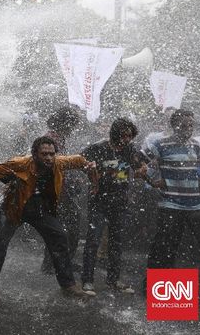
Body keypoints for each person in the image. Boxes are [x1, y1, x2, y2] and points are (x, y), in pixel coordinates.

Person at [0, 136, 95, 302]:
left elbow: (80, 160)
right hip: (14, 207)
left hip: (41, 209)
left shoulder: (59, 163)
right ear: (35, 154)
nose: (49, 158)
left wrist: (90, 170)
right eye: (44, 154)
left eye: (52, 154)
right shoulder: (20, 163)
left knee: (59, 237)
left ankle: (68, 285)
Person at [145, 109, 200, 292]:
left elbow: (197, 170)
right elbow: (142, 166)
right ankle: (156, 289)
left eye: (191, 125)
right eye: (184, 125)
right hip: (171, 204)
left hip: (196, 203)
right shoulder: (160, 145)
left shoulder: (196, 146)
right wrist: (152, 182)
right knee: (166, 246)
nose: (188, 129)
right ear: (174, 126)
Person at [80, 118, 146, 296]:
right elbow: (80, 161)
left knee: (116, 241)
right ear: (115, 134)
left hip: (120, 201)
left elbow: (141, 164)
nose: (127, 139)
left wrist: (142, 169)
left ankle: (114, 279)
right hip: (99, 200)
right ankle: (87, 280)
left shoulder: (130, 149)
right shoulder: (98, 147)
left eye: (130, 136)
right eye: (124, 135)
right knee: (93, 240)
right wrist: (89, 168)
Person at [41, 107, 83, 274]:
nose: (73, 128)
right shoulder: (51, 139)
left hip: (58, 188)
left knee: (59, 226)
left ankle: (56, 262)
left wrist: (72, 178)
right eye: (72, 124)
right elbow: (51, 165)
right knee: (67, 225)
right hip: (55, 190)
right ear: (65, 123)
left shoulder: (57, 137)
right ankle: (57, 263)